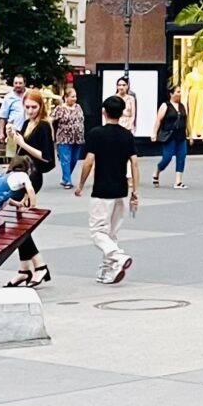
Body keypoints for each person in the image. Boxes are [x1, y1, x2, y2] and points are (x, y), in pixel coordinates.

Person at [76, 92, 139, 284]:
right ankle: (107, 271)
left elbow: (88, 162)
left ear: (104, 112)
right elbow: (134, 164)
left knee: (97, 232)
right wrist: (135, 192)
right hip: (121, 190)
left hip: (102, 190)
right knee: (111, 233)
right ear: (122, 113)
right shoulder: (127, 135)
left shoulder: (96, 134)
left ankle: (118, 257)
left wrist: (80, 184)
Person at [0, 154, 51, 287]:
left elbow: (46, 155)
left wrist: (32, 205)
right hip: (15, 183)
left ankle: (40, 267)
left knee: (20, 227)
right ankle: (26, 269)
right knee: (18, 227)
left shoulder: (41, 133)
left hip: (27, 179)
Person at [153, 88, 190, 188]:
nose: (180, 93)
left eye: (180, 91)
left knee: (182, 156)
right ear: (171, 94)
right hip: (169, 136)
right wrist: (154, 133)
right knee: (167, 157)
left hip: (181, 136)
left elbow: (187, 121)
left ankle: (178, 181)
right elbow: (158, 120)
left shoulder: (183, 106)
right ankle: (157, 171)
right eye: (178, 92)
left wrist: (190, 134)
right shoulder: (165, 106)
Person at [54, 90, 87, 190]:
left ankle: (65, 178)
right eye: (72, 97)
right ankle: (68, 181)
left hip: (78, 138)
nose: (75, 98)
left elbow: (82, 119)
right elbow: (51, 120)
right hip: (64, 138)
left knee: (74, 159)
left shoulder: (78, 107)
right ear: (66, 97)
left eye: (75, 96)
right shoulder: (59, 108)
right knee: (66, 160)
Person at [0, 75, 32, 156]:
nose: (18, 85)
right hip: (14, 131)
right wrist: (1, 133)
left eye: (20, 83)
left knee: (29, 155)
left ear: (24, 84)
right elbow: (2, 117)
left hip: (30, 131)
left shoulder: (30, 94)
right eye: (16, 83)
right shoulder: (8, 97)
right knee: (13, 156)